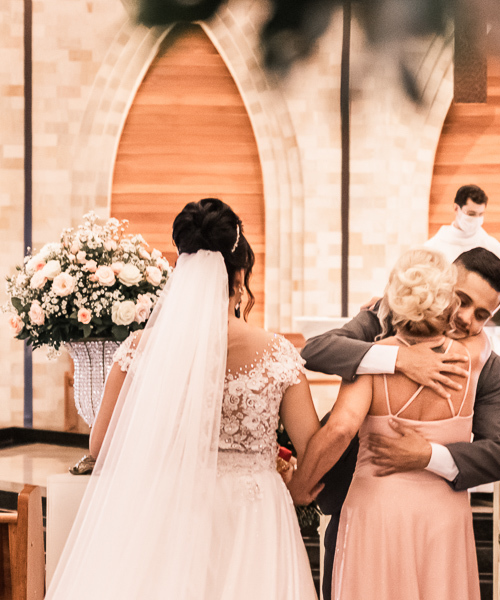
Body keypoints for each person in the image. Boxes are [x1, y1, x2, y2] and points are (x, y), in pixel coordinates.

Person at [46, 198, 320, 600]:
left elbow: (101, 445)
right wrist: (289, 478)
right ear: (240, 275)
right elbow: (312, 446)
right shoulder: (277, 353)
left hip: (170, 508)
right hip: (254, 514)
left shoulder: (141, 349)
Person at [299, 246, 500, 600]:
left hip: (435, 525)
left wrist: (427, 455)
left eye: (482, 315)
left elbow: (497, 454)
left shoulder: (488, 365)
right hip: (363, 507)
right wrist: (399, 359)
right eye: (462, 300)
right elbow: (316, 351)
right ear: (445, 286)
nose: (466, 319)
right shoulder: (379, 321)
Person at [425, 183, 500, 304]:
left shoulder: (492, 246)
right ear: (456, 208)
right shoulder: (433, 247)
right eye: (471, 214)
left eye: (480, 214)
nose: (476, 219)